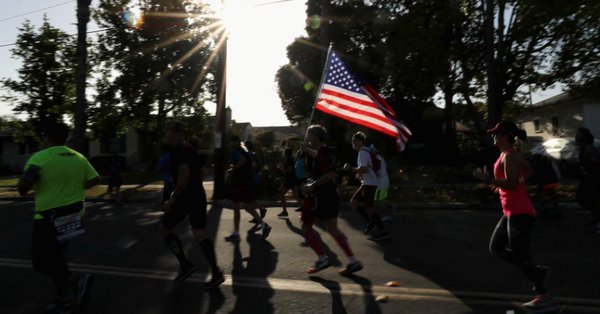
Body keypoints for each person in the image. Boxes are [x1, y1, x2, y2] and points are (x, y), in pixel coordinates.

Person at [17, 122, 100, 314]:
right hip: (73, 215)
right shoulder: (78, 157)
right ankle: (62, 299)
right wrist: (76, 189)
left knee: (41, 262)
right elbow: (95, 179)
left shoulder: (40, 157)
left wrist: (31, 183)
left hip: (48, 217)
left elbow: (23, 188)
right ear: (65, 137)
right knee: (56, 258)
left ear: (47, 138)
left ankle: (76, 279)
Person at [473, 121, 555, 310]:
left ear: (506, 136)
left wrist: (488, 179)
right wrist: (506, 182)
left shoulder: (509, 156)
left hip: (520, 212)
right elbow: (528, 170)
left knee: (521, 254)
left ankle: (543, 294)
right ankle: (538, 273)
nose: (494, 136)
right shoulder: (509, 154)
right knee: (497, 248)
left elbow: (511, 184)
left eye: (497, 133)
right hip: (511, 210)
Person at [159, 121, 224, 289]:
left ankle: (185, 265)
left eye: (169, 131)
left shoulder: (177, 151)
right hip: (198, 196)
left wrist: (173, 198)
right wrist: (195, 185)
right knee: (200, 234)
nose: (167, 134)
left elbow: (184, 175)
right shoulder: (190, 148)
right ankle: (216, 273)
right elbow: (203, 171)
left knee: (166, 228)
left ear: (175, 133)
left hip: (184, 198)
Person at [301, 125, 362, 275]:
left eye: (309, 135)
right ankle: (353, 261)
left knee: (306, 227)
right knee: (332, 229)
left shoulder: (323, 152)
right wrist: (308, 151)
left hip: (321, 196)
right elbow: (321, 158)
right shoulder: (326, 150)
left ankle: (322, 258)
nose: (307, 138)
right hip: (330, 195)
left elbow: (329, 174)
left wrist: (312, 185)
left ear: (316, 137)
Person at [343, 132, 390, 241]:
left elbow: (364, 168)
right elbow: (366, 168)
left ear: (360, 141)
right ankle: (371, 222)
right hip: (367, 183)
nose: (353, 143)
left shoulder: (363, 152)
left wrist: (351, 169)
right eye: (352, 142)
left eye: (354, 141)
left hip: (370, 183)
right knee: (354, 203)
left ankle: (383, 231)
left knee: (369, 207)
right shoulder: (366, 151)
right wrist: (359, 173)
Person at [225, 136, 272, 242]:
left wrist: (233, 169)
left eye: (230, 142)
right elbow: (250, 164)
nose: (229, 144)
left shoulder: (236, 151)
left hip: (240, 183)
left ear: (235, 142)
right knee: (247, 206)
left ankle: (236, 234)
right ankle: (264, 225)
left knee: (237, 207)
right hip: (246, 182)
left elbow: (242, 160)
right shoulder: (244, 151)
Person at [575, 127, 600, 233]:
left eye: (578, 134)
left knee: (589, 198)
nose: (576, 136)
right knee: (583, 197)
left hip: (594, 178)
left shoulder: (590, 149)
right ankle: (597, 217)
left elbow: (597, 163)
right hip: (587, 177)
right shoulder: (582, 148)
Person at [244, 140, 267, 222]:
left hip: (252, 178)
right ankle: (260, 211)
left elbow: (254, 165)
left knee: (251, 198)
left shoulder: (250, 154)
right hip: (254, 177)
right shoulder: (252, 154)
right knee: (252, 198)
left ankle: (259, 212)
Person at [277, 147, 302, 218]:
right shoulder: (291, 159)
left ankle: (284, 211)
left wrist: (282, 168)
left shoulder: (289, 160)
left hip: (289, 179)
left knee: (281, 194)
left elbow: (290, 169)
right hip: (293, 179)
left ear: (286, 153)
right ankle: (305, 209)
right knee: (296, 195)